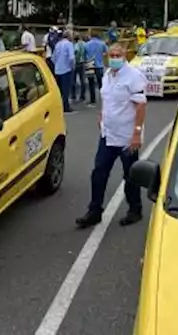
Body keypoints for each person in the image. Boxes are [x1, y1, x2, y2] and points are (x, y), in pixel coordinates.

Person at [77, 44, 147, 229]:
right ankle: (94, 211)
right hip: (108, 134)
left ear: (124, 56)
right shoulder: (108, 75)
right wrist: (102, 115)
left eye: (118, 55)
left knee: (130, 176)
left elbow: (140, 106)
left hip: (127, 136)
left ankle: (135, 210)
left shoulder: (133, 76)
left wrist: (136, 134)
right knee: (99, 173)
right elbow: (107, 99)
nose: (114, 57)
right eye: (112, 55)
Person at [53, 29, 76, 113]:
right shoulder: (69, 44)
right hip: (66, 69)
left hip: (57, 69)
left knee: (59, 90)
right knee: (66, 89)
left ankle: (57, 106)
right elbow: (71, 58)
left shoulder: (58, 44)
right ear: (69, 36)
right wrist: (72, 67)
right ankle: (66, 107)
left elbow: (53, 58)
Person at [84, 32, 107, 106]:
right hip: (99, 65)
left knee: (91, 83)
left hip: (90, 64)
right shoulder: (102, 43)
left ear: (91, 36)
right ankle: (103, 97)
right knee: (100, 82)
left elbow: (84, 54)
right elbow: (107, 52)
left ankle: (92, 99)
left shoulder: (86, 44)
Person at [73, 33, 87, 102]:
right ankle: (82, 96)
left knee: (73, 80)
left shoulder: (75, 44)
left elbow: (76, 52)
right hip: (83, 62)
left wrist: (76, 59)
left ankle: (73, 96)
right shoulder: (84, 44)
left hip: (76, 63)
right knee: (82, 80)